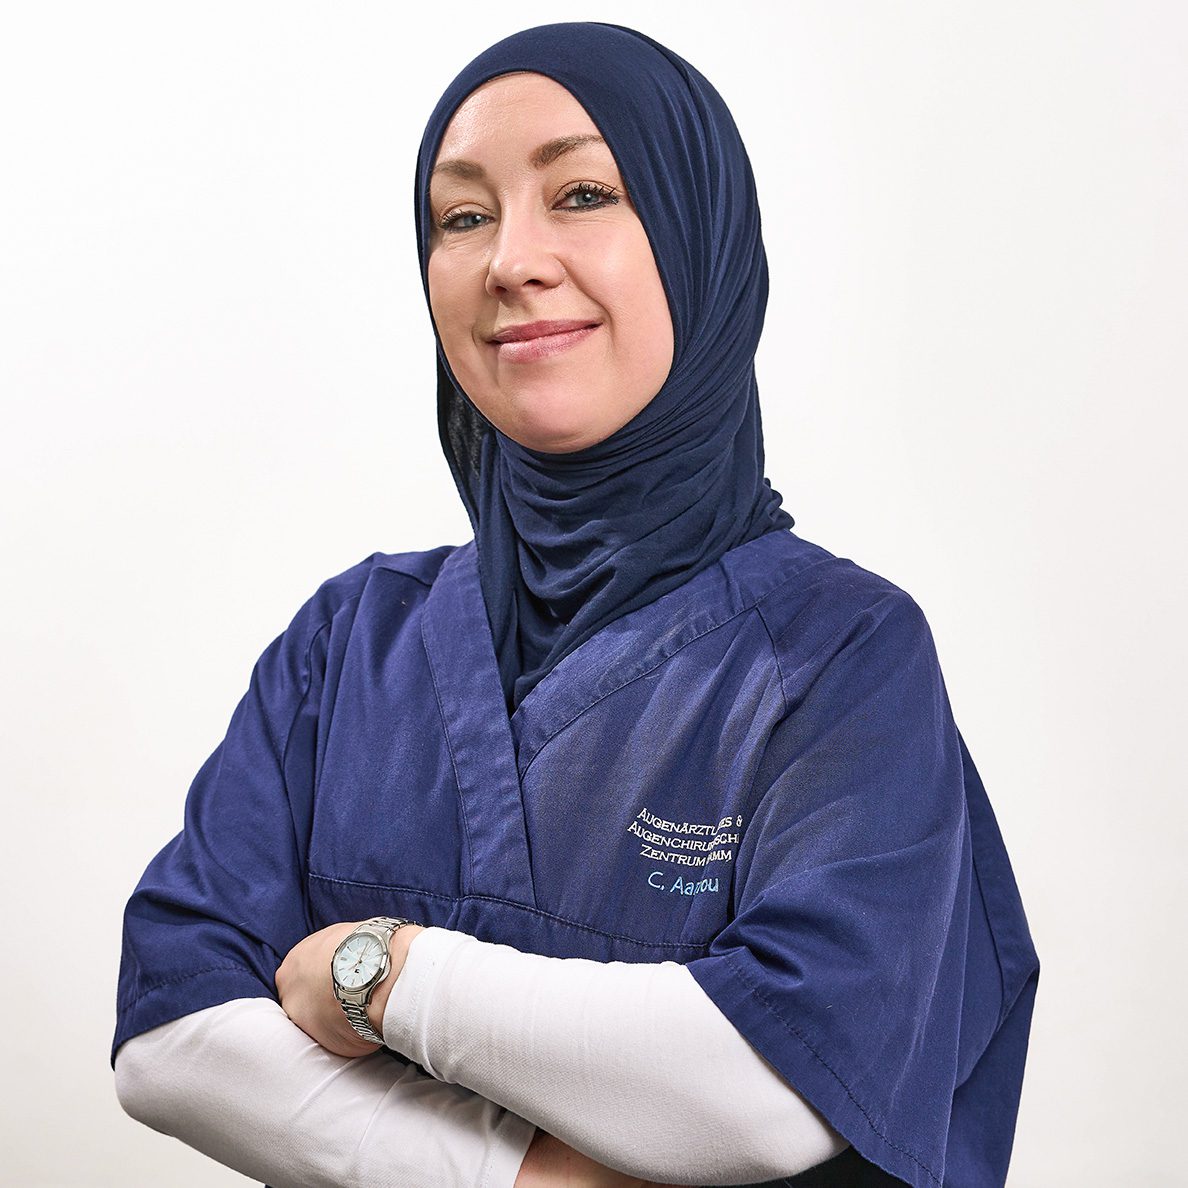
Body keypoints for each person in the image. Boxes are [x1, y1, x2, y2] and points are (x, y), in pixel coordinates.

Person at [112, 21, 1040, 1188]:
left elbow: (774, 1085)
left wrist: (387, 973)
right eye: (462, 216)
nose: (512, 260)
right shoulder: (349, 645)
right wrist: (524, 1180)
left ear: (699, 238)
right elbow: (169, 1037)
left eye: (584, 193)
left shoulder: (837, 656)